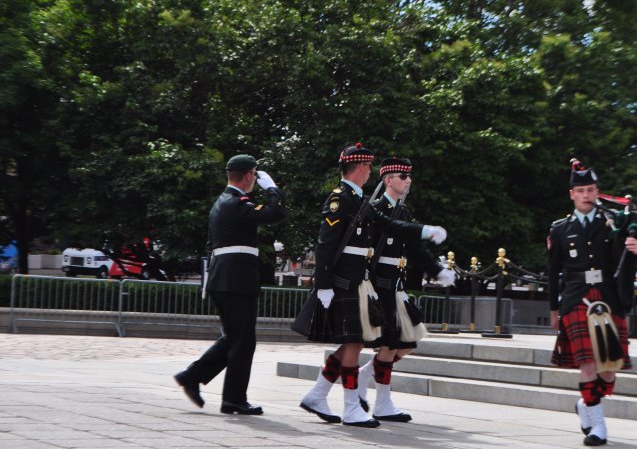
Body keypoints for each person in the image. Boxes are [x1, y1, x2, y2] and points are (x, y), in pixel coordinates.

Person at [299, 143, 447, 428]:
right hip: (347, 280)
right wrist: (325, 284)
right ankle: (350, 406)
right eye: (368, 167)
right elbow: (326, 244)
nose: (370, 171)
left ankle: (321, 395)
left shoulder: (359, 199)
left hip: (359, 280)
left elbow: (387, 225)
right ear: (363, 168)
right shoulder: (340, 198)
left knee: (354, 342)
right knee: (354, 342)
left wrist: (424, 231)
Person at [174, 154, 286, 415]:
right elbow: (275, 213)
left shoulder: (223, 203)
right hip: (236, 280)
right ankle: (233, 399)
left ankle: (193, 377)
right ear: (248, 176)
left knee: (235, 338)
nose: (256, 179)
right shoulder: (236, 203)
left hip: (225, 278)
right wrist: (272, 189)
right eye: (256, 175)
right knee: (243, 341)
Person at [548, 159, 637, 446]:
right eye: (581, 190)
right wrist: (553, 309)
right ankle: (599, 426)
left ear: (597, 192)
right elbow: (553, 273)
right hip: (576, 297)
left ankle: (585, 404)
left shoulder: (614, 224)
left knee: (609, 368)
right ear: (572, 194)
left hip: (608, 297)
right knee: (587, 364)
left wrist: (636, 249)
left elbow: (627, 261)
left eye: (591, 189)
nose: (587, 194)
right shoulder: (560, 229)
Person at [356, 157, 456, 422]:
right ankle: (383, 403)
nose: (408, 180)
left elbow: (414, 248)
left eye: (409, 176)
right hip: (380, 283)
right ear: (388, 180)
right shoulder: (376, 209)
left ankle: (365, 374)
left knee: (407, 343)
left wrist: (436, 269)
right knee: (390, 344)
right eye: (403, 176)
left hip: (397, 284)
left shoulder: (404, 211)